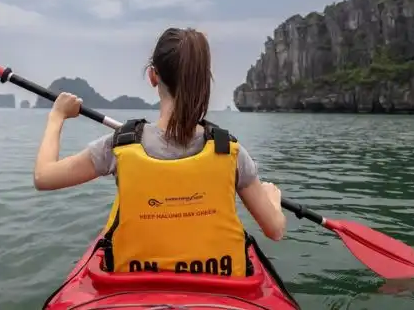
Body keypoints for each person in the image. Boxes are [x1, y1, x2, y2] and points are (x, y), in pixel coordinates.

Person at [33, 27, 286, 277]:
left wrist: (57, 116)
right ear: (202, 78)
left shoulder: (118, 146)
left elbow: (44, 177)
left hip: (132, 287)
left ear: (153, 76)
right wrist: (271, 198)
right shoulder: (230, 151)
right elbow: (275, 230)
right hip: (221, 289)